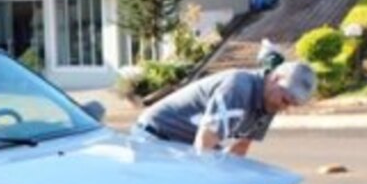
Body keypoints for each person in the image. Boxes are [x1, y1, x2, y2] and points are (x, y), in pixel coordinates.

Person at [135, 60, 317, 157]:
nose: (284, 108)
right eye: (285, 99)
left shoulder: (269, 104)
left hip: (183, 145)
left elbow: (240, 148)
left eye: (291, 105)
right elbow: (205, 141)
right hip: (155, 137)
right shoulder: (239, 87)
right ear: (275, 78)